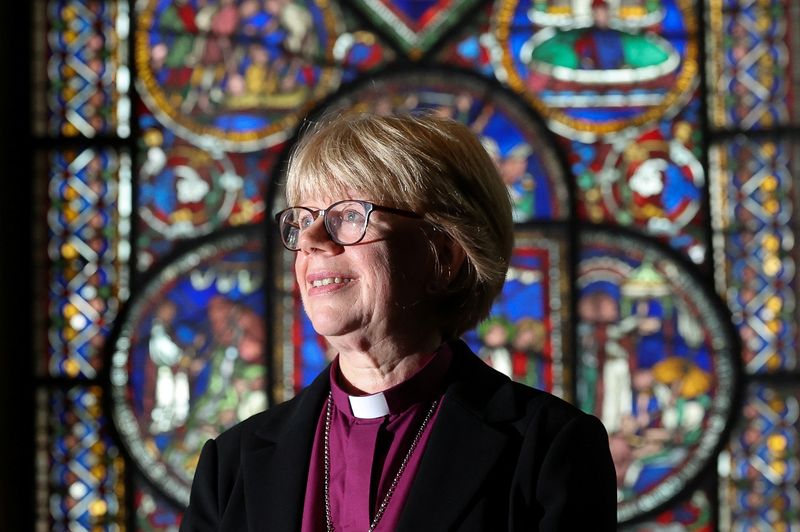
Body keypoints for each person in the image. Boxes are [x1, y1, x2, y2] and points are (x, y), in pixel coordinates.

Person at [180, 113, 617, 531]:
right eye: (303, 220)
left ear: (443, 256)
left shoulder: (548, 450)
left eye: (348, 215)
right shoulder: (232, 464)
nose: (310, 241)